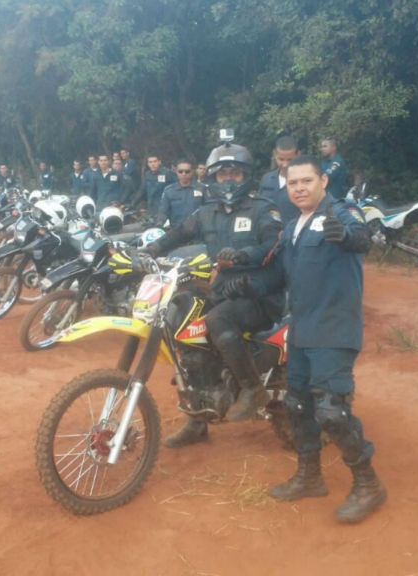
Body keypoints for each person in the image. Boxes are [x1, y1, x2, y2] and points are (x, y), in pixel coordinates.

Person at [225, 154, 386, 524]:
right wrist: (248, 285)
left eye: (306, 181)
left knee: (332, 409)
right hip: (300, 329)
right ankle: (310, 476)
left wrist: (345, 236)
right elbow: (278, 278)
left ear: (323, 182)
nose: (299, 188)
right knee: (296, 405)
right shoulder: (294, 228)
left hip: (334, 328)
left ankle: (368, 485)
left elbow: (362, 238)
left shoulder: (341, 212)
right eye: (293, 182)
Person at [142, 140, 284, 446]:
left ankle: (252, 389)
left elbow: (274, 244)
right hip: (224, 292)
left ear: (246, 176)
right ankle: (198, 420)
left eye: (235, 173)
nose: (229, 180)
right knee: (184, 321)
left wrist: (245, 255)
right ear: (214, 178)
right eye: (223, 175)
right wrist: (152, 248)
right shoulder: (206, 212)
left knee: (217, 320)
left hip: (258, 295)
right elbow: (179, 233)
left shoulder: (263, 209)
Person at [258, 136, 301, 224]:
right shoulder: (267, 179)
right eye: (281, 159)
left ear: (298, 155)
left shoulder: (304, 182)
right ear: (275, 155)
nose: (285, 164)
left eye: (290, 160)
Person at [158, 158, 206, 228]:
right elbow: (164, 212)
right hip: (176, 232)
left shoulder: (202, 189)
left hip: (198, 232)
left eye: (187, 171)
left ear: (192, 171)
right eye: (180, 171)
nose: (184, 174)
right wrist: (159, 224)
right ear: (176, 171)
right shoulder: (169, 191)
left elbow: (208, 211)